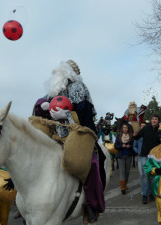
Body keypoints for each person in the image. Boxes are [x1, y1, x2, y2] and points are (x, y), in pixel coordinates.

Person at [32, 60, 105, 223]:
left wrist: (68, 115)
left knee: (91, 164)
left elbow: (86, 113)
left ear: (69, 74)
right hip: (55, 135)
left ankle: (90, 205)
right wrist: (41, 106)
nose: (58, 74)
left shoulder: (79, 88)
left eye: (61, 71)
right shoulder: (54, 90)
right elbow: (40, 104)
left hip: (77, 135)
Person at [133, 114, 160, 204]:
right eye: (153, 119)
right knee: (145, 176)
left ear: (158, 121)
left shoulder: (160, 130)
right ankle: (144, 195)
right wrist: (135, 135)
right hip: (144, 155)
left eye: (156, 119)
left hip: (155, 157)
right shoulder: (146, 128)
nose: (154, 120)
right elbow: (138, 136)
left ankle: (151, 193)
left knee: (153, 176)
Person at [114, 123, 134, 194]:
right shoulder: (119, 136)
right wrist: (122, 146)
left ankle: (125, 184)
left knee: (127, 171)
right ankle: (122, 187)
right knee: (122, 171)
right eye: (124, 128)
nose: (125, 129)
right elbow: (116, 146)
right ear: (122, 129)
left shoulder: (131, 136)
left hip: (129, 155)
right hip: (121, 156)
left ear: (128, 128)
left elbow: (133, 146)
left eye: (126, 128)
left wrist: (130, 146)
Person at [133, 122, 147, 201]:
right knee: (141, 174)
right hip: (139, 156)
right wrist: (138, 151)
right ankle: (143, 189)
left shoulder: (147, 135)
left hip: (147, 156)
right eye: (141, 126)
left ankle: (147, 190)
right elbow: (134, 146)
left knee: (147, 174)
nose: (142, 127)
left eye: (144, 126)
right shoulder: (138, 135)